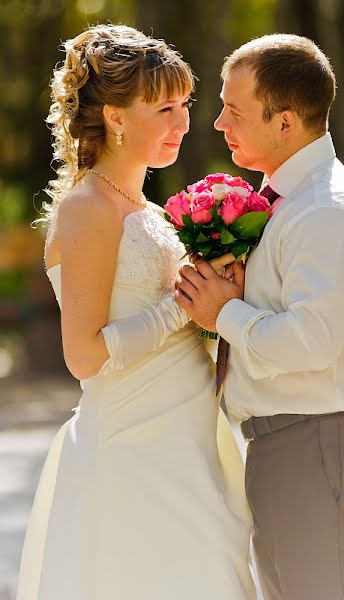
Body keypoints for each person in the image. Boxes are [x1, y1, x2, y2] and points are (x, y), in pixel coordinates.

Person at [17, 24, 256, 600]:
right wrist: (184, 304)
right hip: (132, 447)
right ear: (117, 117)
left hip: (188, 437)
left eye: (184, 105)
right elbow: (84, 356)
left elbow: (182, 324)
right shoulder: (87, 209)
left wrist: (220, 303)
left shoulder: (148, 209)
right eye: (163, 108)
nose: (182, 123)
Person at [176, 33, 344, 600]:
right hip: (297, 444)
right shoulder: (286, 199)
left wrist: (225, 311)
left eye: (234, 110)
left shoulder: (324, 209)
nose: (218, 123)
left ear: (286, 121)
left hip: (324, 444)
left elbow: (312, 344)